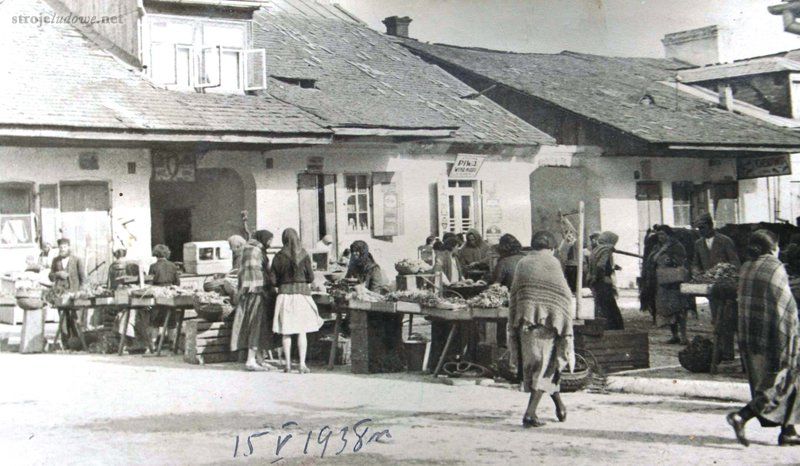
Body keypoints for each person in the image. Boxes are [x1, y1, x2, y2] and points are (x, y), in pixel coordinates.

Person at [727, 230, 800, 447]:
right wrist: (793, 329)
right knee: (784, 379)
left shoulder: (747, 266)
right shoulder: (774, 267)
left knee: (786, 381)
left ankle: (788, 431)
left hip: (753, 335)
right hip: (776, 335)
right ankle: (742, 416)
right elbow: (785, 306)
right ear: (772, 247)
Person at [509, 230, 574, 428]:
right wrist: (562, 315)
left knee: (541, 365)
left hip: (525, 321)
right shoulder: (552, 262)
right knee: (545, 366)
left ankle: (559, 405)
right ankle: (530, 413)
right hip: (548, 323)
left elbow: (515, 292)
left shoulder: (523, 263)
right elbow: (563, 294)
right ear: (551, 247)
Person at [271, 228, 324, 373]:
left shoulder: (278, 256)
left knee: (286, 332)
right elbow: (311, 278)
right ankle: (301, 365)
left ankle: (287, 365)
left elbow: (273, 281)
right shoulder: (304, 254)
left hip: (285, 296)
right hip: (302, 296)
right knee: (302, 331)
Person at [692, 213, 741, 361]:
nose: (700, 230)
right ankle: (722, 352)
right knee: (716, 319)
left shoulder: (725, 241)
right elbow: (695, 263)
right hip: (711, 289)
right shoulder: (698, 243)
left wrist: (725, 274)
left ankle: (730, 352)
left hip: (727, 287)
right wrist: (696, 272)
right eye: (698, 228)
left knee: (729, 319)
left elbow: (735, 263)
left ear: (710, 225)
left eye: (702, 227)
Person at [231, 230, 274, 371]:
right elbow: (255, 273)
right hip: (255, 292)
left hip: (250, 291)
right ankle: (250, 360)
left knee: (259, 325)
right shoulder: (254, 250)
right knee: (256, 324)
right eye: (270, 240)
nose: (270, 243)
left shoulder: (250, 248)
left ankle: (260, 359)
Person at [649, 225, 689, 345]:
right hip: (662, 281)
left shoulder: (677, 246)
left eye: (663, 234)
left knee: (680, 309)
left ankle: (684, 336)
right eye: (659, 235)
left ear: (669, 235)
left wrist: (670, 259)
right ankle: (674, 335)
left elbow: (682, 260)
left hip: (675, 281)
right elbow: (652, 259)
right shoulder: (657, 247)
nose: (661, 237)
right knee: (667, 309)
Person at [49, 238, 86, 345]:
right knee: (63, 320)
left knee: (75, 319)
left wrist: (80, 292)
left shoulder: (77, 260)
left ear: (69, 247)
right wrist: (57, 274)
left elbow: (83, 278)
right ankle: (66, 344)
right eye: (60, 247)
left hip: (74, 294)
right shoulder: (55, 260)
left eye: (64, 247)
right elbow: (50, 276)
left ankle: (79, 344)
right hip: (61, 294)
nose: (62, 249)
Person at [588, 231, 624, 330]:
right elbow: (601, 265)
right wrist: (603, 276)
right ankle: (614, 328)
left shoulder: (595, 249)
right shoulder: (606, 250)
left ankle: (602, 326)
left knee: (600, 304)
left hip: (595, 282)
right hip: (603, 282)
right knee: (609, 306)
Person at [149, 244, 181, 347]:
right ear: (167, 253)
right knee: (171, 321)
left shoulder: (153, 267)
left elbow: (149, 282)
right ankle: (172, 343)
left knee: (155, 321)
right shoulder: (173, 266)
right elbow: (177, 283)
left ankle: (153, 344)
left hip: (158, 294)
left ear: (156, 254)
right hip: (169, 294)